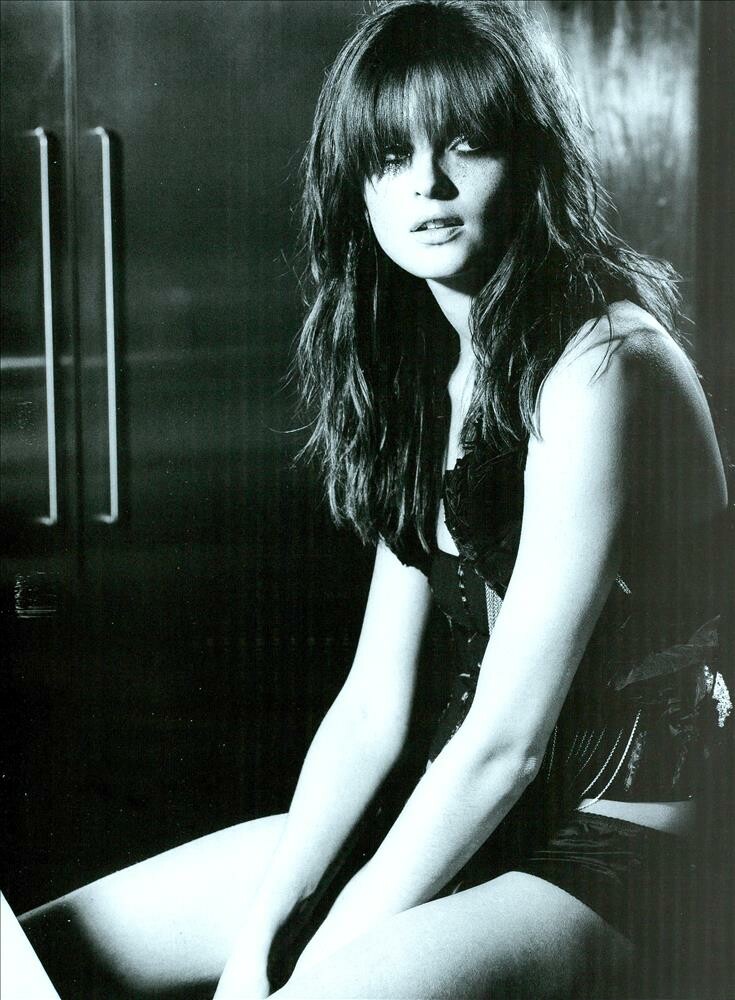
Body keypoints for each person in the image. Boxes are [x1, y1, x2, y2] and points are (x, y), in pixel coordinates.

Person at [19, 1, 732, 997]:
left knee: (319, 990)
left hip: (638, 847)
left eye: (467, 144)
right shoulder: (431, 373)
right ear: (354, 185)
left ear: (529, 160)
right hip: (483, 813)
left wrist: (309, 961)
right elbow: (371, 707)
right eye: (391, 156)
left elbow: (507, 746)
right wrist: (262, 935)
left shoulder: (604, 364)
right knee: (38, 950)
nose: (427, 185)